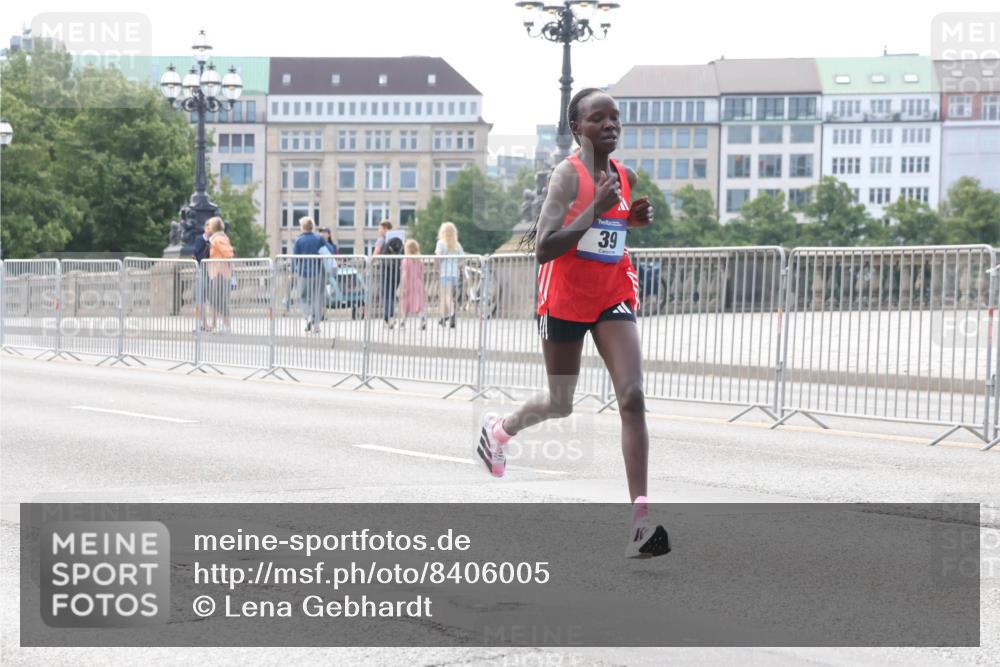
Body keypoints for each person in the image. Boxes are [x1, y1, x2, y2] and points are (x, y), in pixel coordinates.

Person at [475, 88, 669, 559]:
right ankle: (500, 431)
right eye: (598, 118)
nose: (610, 125)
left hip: (611, 294)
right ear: (577, 128)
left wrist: (630, 221)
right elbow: (545, 246)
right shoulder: (567, 176)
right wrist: (595, 211)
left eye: (615, 118)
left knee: (633, 396)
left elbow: (612, 230)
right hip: (563, 298)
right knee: (561, 401)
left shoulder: (626, 175)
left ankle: (640, 522)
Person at [293, 217, 326, 334]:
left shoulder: (299, 240)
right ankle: (316, 325)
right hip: (317, 272)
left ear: (302, 227)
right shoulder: (319, 238)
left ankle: (307, 316)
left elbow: (295, 258)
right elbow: (327, 250)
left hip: (304, 272)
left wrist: (293, 272)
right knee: (317, 298)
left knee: (303, 297)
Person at [206, 217, 233, 333]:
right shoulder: (217, 238)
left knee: (218, 299)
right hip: (217, 272)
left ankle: (225, 325)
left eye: (209, 225)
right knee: (215, 299)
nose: (207, 227)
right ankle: (218, 324)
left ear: (213, 227)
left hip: (220, 273)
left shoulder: (218, 239)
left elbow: (228, 253)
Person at [435, 222, 464, 329]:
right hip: (454, 273)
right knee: (446, 296)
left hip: (444, 273)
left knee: (446, 296)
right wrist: (457, 265)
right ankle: (443, 318)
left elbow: (437, 256)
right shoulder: (457, 244)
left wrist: (437, 267)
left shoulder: (441, 243)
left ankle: (451, 315)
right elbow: (462, 259)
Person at [399, 239, 427, 330]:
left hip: (409, 284)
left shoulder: (406, 260)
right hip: (418, 284)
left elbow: (404, 274)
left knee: (405, 303)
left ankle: (403, 321)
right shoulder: (420, 260)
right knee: (419, 304)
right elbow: (422, 273)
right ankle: (422, 319)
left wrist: (403, 286)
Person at [378, 235, 404, 327]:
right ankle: (389, 317)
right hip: (396, 272)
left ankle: (388, 317)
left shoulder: (385, 253)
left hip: (386, 272)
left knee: (386, 296)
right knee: (391, 295)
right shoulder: (400, 250)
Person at [192, 221, 212, 331]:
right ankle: (201, 323)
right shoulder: (200, 239)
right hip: (201, 270)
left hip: (209, 271)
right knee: (200, 299)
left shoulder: (213, 240)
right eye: (208, 227)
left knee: (205, 300)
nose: (210, 230)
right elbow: (197, 253)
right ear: (205, 228)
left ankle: (204, 323)